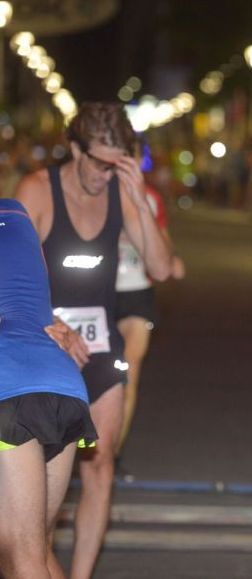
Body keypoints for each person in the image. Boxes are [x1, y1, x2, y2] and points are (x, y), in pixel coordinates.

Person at [15, 102, 172, 579]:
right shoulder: (38, 191)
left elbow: (162, 268)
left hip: (101, 348)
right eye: (100, 163)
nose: (106, 175)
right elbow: (9, 272)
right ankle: (37, 561)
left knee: (100, 464)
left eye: (117, 164)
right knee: (41, 495)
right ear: (76, 149)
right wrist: (50, 321)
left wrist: (139, 198)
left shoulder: (122, 194)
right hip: (46, 353)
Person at [0, 198, 97, 579]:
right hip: (62, 380)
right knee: (33, 550)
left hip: (10, 387)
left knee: (21, 557)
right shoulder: (17, 213)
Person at [114, 179, 185, 461]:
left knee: (127, 373)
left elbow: (164, 239)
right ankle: (85, 449)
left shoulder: (150, 196)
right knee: (91, 375)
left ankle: (112, 453)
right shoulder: (92, 189)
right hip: (96, 294)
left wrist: (172, 259)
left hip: (137, 293)